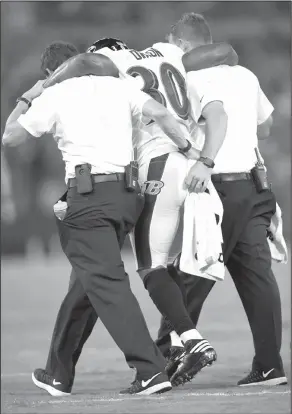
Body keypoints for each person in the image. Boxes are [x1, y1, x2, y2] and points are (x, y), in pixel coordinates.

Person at [2, 41, 203, 396]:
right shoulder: (120, 85)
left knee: (107, 284)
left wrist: (29, 96)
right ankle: (58, 372)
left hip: (89, 196)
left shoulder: (57, 92)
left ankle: (150, 370)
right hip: (127, 196)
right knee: (87, 283)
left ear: (52, 73)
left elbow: (11, 135)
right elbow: (161, 114)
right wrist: (188, 149)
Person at [43, 37, 233, 386]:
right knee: (162, 263)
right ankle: (169, 346)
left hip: (151, 168)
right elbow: (215, 54)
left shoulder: (102, 73)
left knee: (148, 268)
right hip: (181, 164)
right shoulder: (169, 50)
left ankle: (187, 341)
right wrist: (194, 151)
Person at [156, 12, 287, 387]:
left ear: (180, 44)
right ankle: (269, 365)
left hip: (213, 187)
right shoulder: (245, 74)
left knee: (191, 274)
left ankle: (163, 357)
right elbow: (265, 125)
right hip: (252, 186)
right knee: (257, 278)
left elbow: (214, 118)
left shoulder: (186, 78)